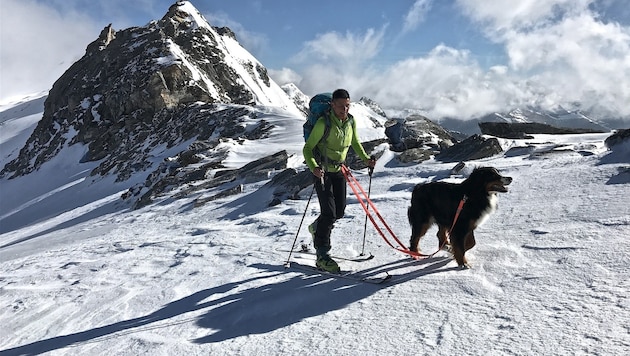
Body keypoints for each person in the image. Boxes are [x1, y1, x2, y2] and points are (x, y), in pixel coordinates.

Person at [302, 89, 376, 273]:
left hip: (339, 170)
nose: (345, 109)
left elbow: (355, 143)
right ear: (332, 105)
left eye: (347, 105)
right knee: (328, 213)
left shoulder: (350, 121)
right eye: (341, 105)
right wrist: (314, 168)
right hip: (323, 172)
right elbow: (308, 148)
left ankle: (316, 228)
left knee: (339, 212)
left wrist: (366, 159)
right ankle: (322, 255)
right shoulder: (323, 123)